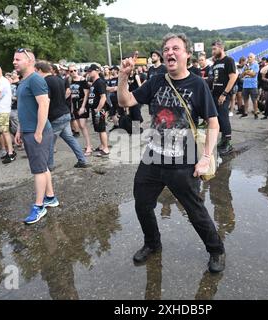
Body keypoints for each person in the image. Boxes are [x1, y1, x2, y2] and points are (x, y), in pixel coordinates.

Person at [118, 33, 226, 273]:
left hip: (183, 158)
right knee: (142, 204)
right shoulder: (156, 80)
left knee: (194, 210)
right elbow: (125, 101)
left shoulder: (197, 84)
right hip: (153, 154)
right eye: (166, 49)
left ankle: (216, 250)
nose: (169, 52)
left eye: (175, 48)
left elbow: (213, 122)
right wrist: (123, 77)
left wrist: (206, 157)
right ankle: (152, 244)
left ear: (186, 54)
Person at [13, 48, 59, 224]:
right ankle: (50, 197)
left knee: (38, 170)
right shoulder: (23, 81)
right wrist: (19, 130)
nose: (14, 62)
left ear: (30, 61)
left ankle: (39, 207)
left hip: (37, 132)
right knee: (43, 167)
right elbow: (25, 108)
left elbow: (44, 104)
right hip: (29, 130)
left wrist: (38, 131)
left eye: (18, 59)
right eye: (14, 59)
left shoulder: (36, 79)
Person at [35, 61, 89, 169]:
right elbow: (66, 94)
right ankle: (82, 160)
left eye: (36, 71)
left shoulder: (45, 82)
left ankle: (49, 166)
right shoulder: (59, 79)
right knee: (70, 138)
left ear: (40, 70)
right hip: (65, 113)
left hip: (56, 117)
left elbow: (46, 101)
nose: (35, 74)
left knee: (49, 142)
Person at [211, 39, 238, 155]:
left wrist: (224, 94)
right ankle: (222, 141)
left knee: (224, 118)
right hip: (215, 95)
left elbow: (233, 78)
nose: (212, 51)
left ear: (221, 48)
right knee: (217, 119)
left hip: (223, 95)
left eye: (214, 49)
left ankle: (228, 143)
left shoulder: (229, 60)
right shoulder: (216, 63)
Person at [86, 64, 110, 156]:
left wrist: (98, 109)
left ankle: (106, 148)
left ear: (96, 71)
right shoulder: (95, 82)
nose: (89, 73)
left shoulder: (100, 82)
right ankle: (102, 146)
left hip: (99, 110)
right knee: (99, 129)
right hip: (95, 109)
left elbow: (103, 97)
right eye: (88, 71)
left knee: (102, 128)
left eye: (90, 71)